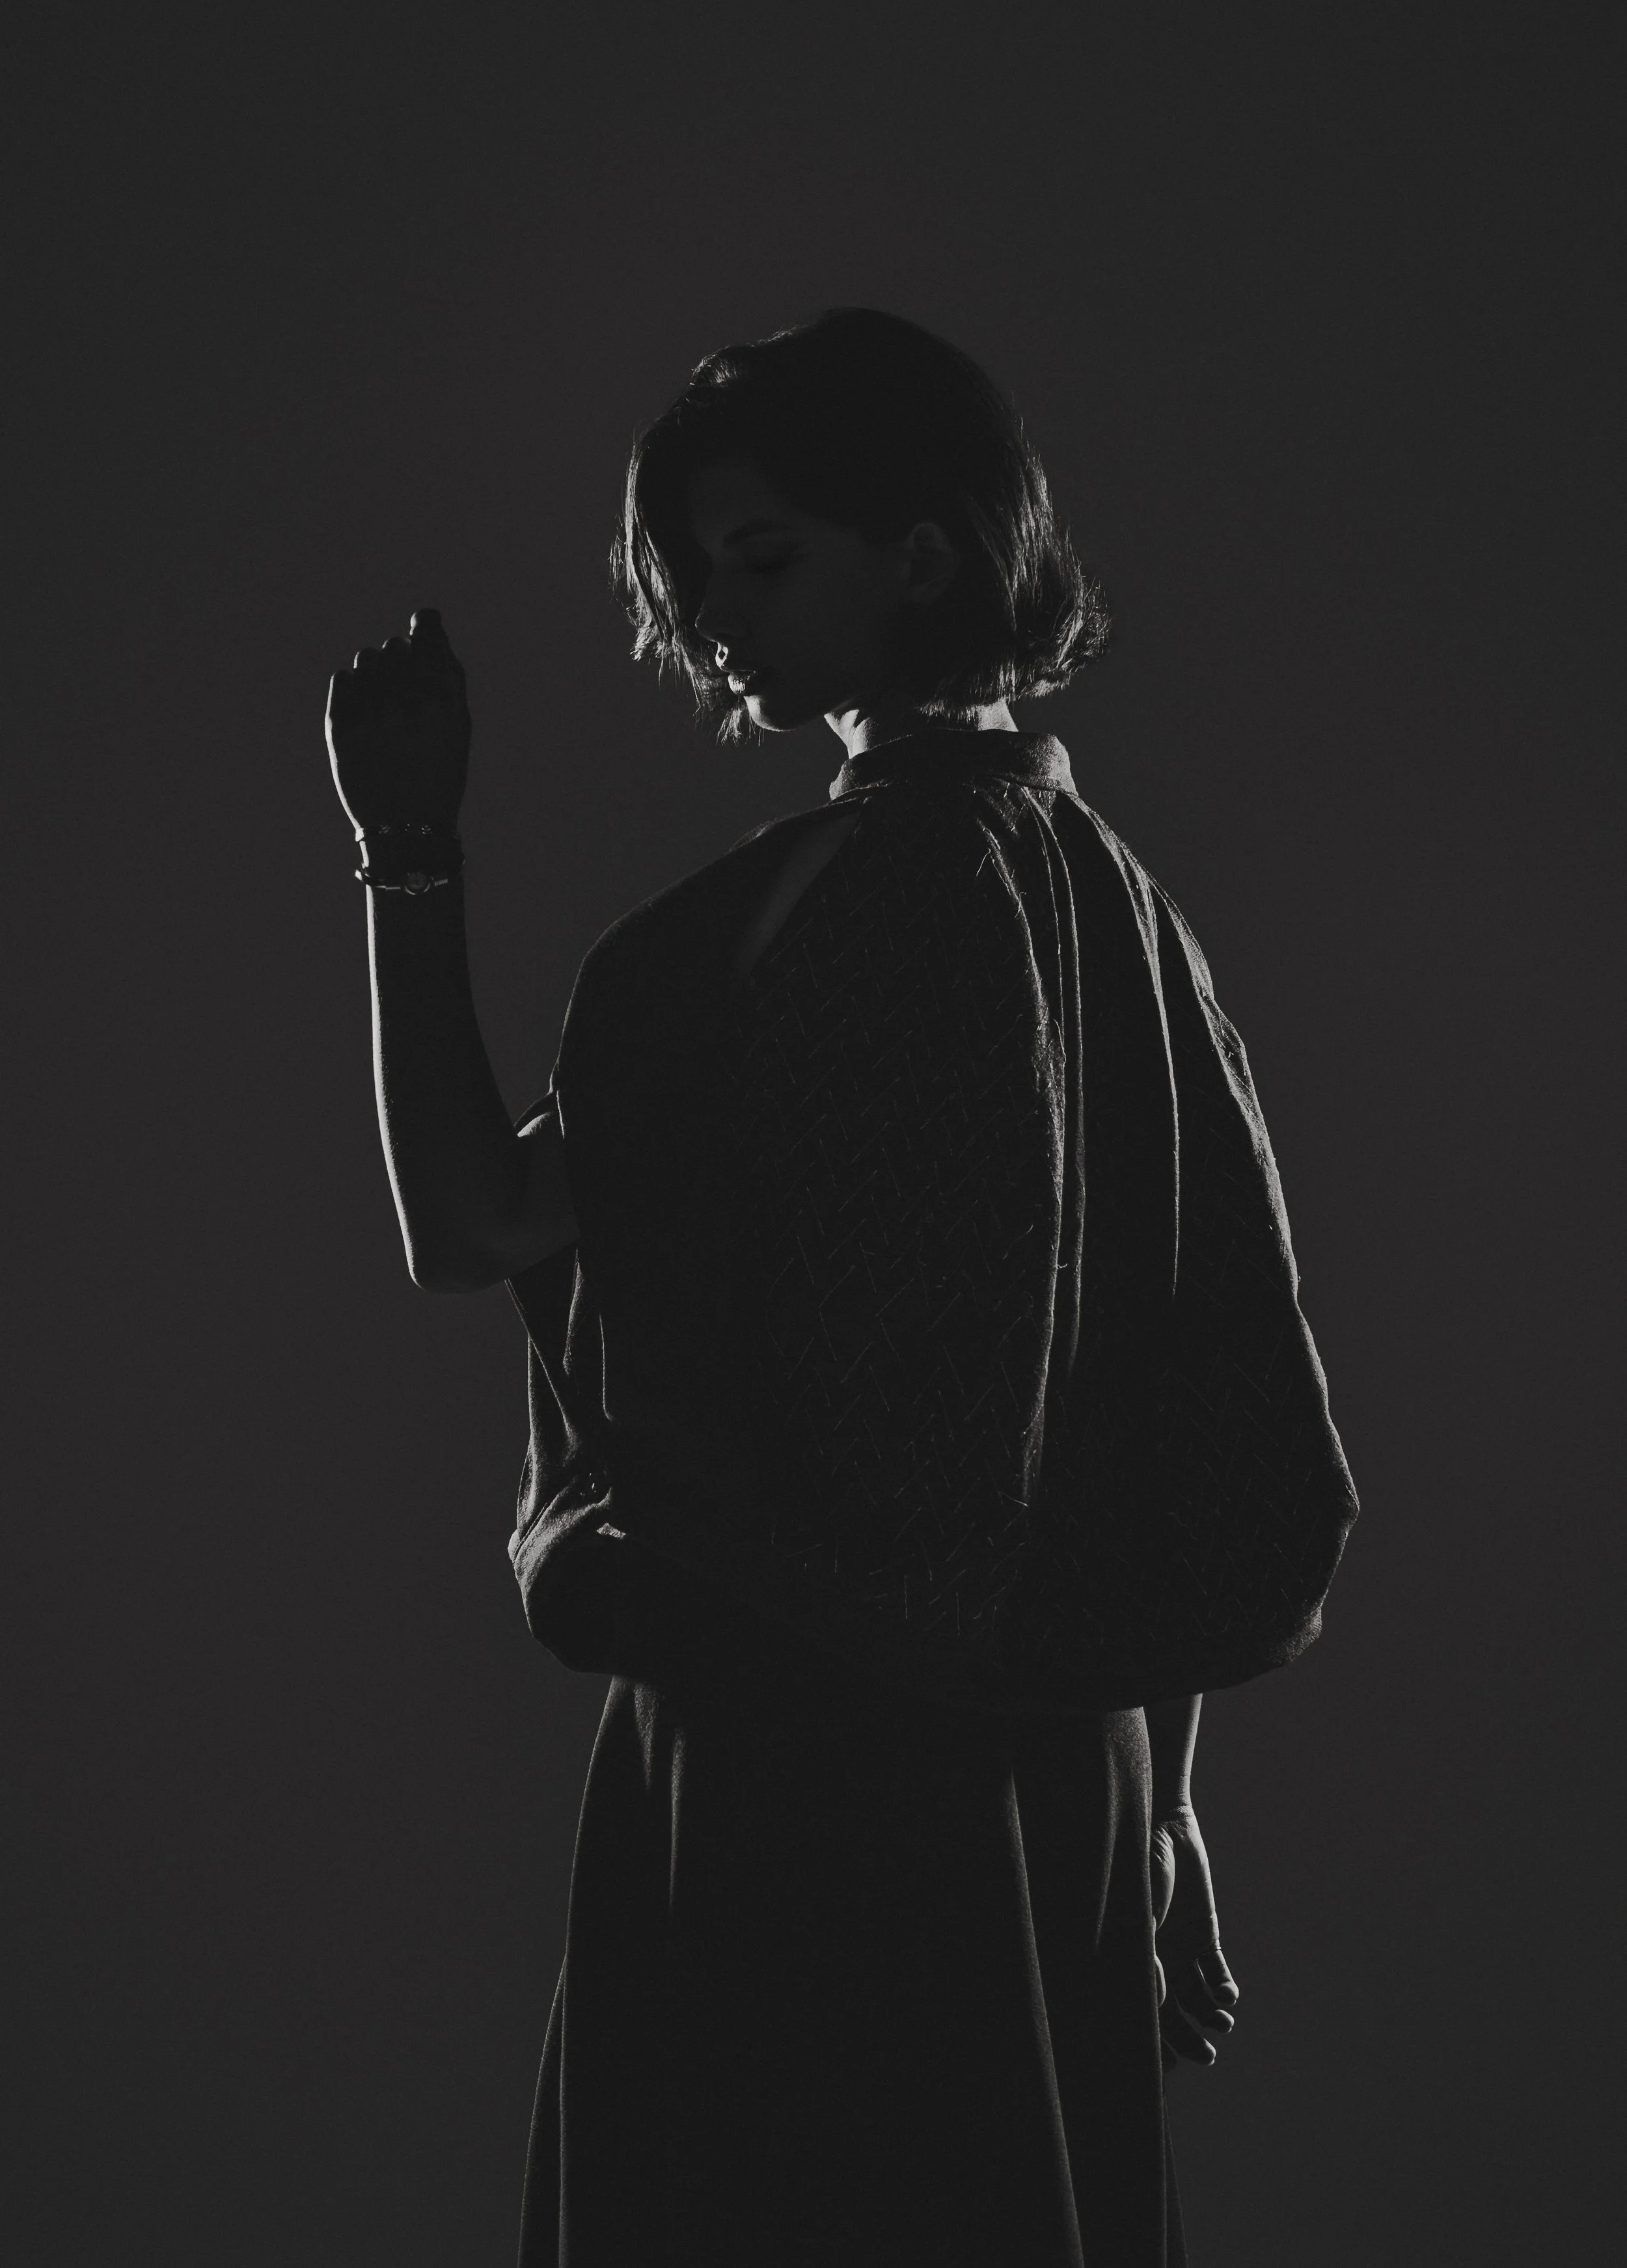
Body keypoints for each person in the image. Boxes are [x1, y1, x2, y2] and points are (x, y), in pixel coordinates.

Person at [325, 308, 1358, 2268]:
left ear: (926, 550)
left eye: (763, 557)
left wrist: (407, 850)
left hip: (794, 1756)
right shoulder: (1128, 921)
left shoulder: (773, 927)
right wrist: (1160, 1809)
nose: (716, 615)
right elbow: (1167, 1421)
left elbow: (469, 1223)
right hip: (1057, 1763)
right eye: (697, 571)